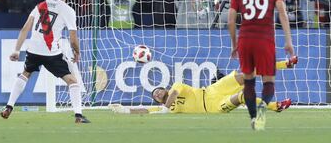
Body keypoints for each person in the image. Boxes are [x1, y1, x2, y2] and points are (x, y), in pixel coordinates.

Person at [0, 0, 90, 124]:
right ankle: (78, 115)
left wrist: (17, 50)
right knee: (72, 81)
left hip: (33, 50)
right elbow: (73, 37)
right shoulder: (68, 10)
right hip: (51, 53)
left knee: (25, 74)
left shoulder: (40, 6)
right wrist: (77, 52)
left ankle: (9, 106)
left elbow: (25, 28)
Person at [228, 0, 295, 130]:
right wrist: (288, 41)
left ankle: (252, 118)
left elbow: (230, 20)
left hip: (245, 39)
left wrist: (234, 43)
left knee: (248, 81)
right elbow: (282, 14)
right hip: (265, 40)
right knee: (269, 82)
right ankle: (262, 112)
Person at [109, 59, 297, 115]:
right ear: (157, 100)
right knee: (241, 97)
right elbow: (144, 111)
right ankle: (275, 107)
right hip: (214, 107)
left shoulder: (175, 87)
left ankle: (284, 64)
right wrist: (124, 110)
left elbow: (175, 93)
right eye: (155, 95)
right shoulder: (164, 108)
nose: (157, 93)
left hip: (213, 90)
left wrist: (165, 109)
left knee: (245, 74)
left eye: (158, 89)